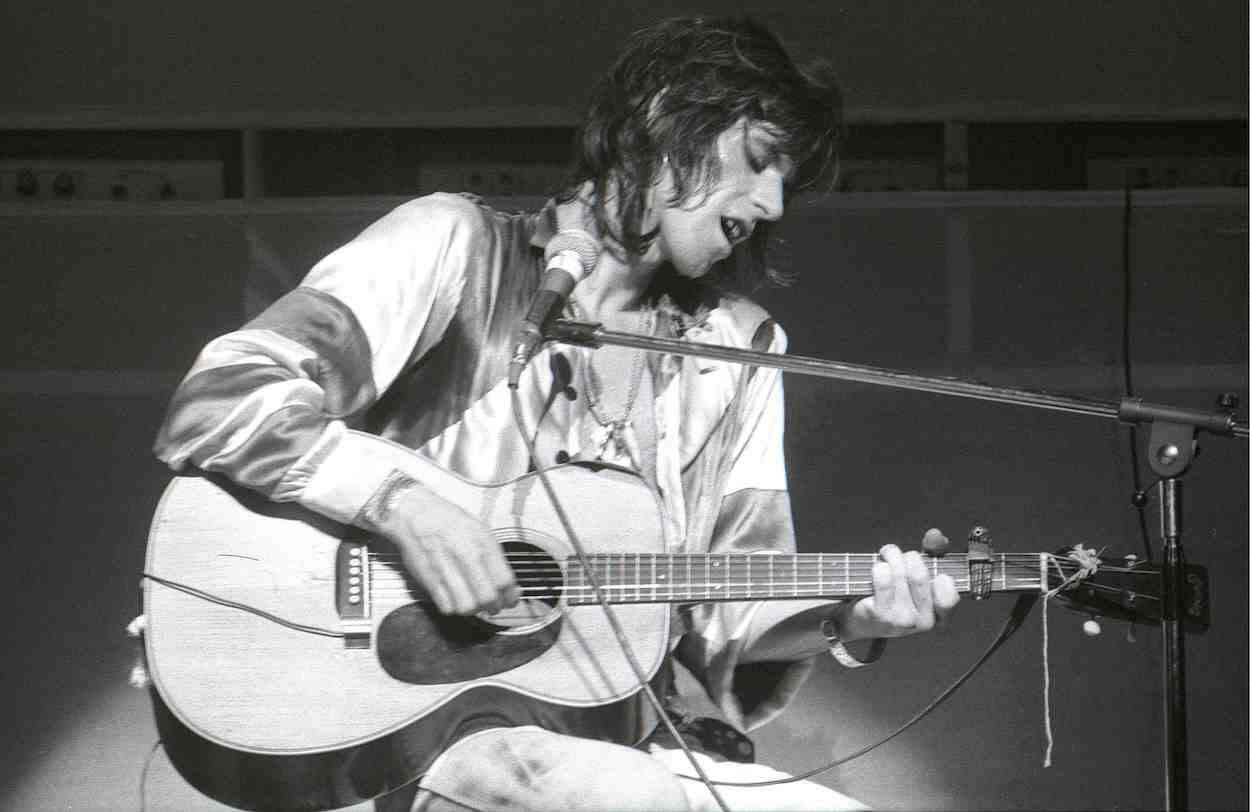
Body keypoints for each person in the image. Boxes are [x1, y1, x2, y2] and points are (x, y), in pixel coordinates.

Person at [154, 15, 959, 812]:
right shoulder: (455, 249)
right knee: (630, 797)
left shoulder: (737, 349)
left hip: (622, 735)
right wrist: (405, 508)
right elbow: (227, 393)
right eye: (756, 160)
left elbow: (727, 610)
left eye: (786, 181)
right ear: (662, 119)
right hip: (419, 737)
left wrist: (851, 620)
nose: (774, 203)